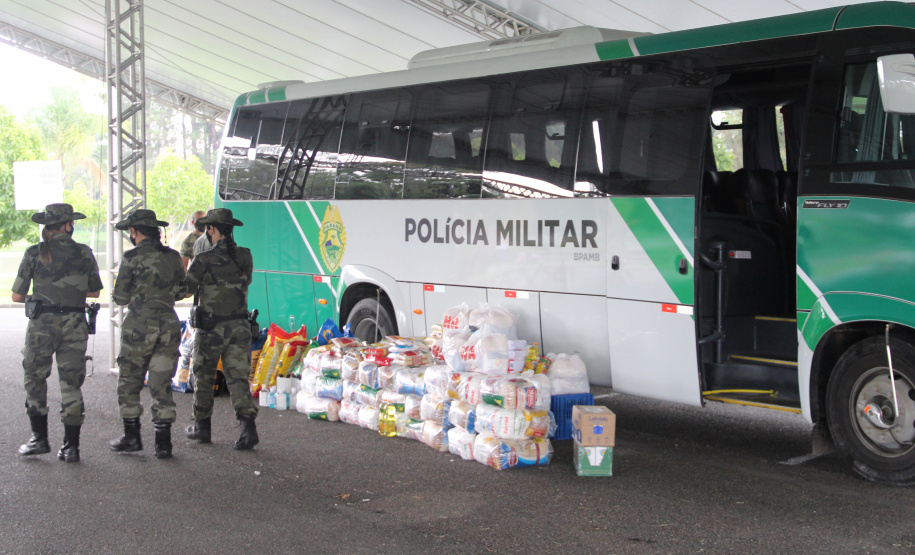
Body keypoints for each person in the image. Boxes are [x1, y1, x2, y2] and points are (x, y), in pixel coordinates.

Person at [11, 203, 103, 463]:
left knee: (34, 377)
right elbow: (95, 291)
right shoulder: (84, 253)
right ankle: (71, 447)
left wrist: (44, 293)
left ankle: (39, 439)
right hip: (74, 322)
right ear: (67, 225)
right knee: (71, 383)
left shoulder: (34, 253)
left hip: (41, 324)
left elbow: (17, 295)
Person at [109, 209, 186, 459]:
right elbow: (182, 292)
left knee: (130, 381)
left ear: (134, 232)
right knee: (161, 383)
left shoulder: (130, 258)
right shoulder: (173, 257)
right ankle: (163, 444)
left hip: (139, 325)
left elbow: (120, 297)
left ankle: (132, 438)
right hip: (167, 323)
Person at [183, 208, 259, 450]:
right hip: (239, 326)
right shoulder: (245, 256)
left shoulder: (203, 260)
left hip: (211, 329)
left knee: (203, 377)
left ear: (211, 229)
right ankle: (248, 429)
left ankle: (202, 428)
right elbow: (244, 281)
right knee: (237, 378)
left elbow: (185, 291)